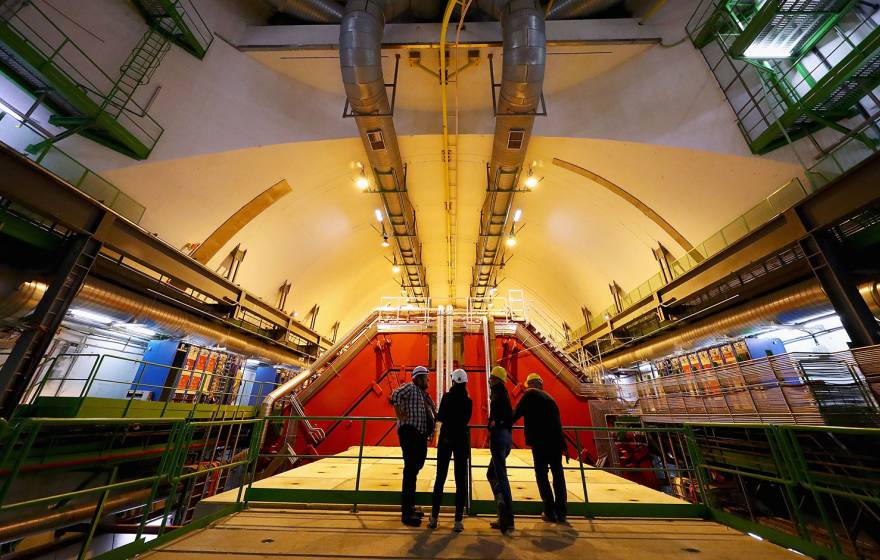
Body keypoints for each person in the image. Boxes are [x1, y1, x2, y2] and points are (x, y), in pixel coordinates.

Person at [513, 372, 568, 523]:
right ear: (541, 384)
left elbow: (516, 413)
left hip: (540, 443)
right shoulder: (551, 399)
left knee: (542, 475)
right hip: (556, 443)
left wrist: (501, 424)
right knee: (558, 475)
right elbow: (558, 424)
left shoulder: (530, 394)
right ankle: (562, 512)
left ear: (530, 385)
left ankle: (549, 511)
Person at [390, 365, 436, 527]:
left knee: (415, 468)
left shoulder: (424, 395)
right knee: (410, 470)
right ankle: (407, 513)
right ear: (418, 378)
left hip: (420, 435)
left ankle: (410, 507)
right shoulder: (410, 387)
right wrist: (398, 413)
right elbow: (395, 394)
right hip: (410, 432)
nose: (428, 380)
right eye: (426, 377)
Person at [428, 368, 472, 532]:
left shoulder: (447, 397)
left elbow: (440, 418)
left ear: (453, 381)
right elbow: (466, 419)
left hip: (446, 440)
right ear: (465, 382)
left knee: (440, 478)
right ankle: (458, 521)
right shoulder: (468, 401)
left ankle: (434, 518)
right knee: (460, 480)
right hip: (461, 441)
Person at [486, 365, 515, 534]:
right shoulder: (504, 394)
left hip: (498, 437)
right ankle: (501, 506)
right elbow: (509, 416)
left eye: (491, 378)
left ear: (496, 379)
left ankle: (507, 517)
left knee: (501, 476)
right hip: (507, 437)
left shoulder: (497, 395)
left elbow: (496, 418)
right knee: (491, 473)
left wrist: (493, 423)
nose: (489, 380)